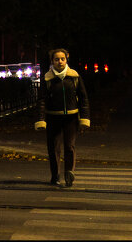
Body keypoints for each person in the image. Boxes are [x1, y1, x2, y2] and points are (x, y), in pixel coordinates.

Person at [35, 48, 89, 187]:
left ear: (66, 60)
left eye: (62, 59)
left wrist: (84, 117)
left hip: (71, 118)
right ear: (52, 61)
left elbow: (83, 98)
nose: (60, 62)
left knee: (69, 147)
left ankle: (69, 173)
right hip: (53, 118)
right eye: (56, 59)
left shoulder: (74, 76)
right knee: (54, 148)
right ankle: (55, 176)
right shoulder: (47, 78)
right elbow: (41, 100)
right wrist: (41, 119)